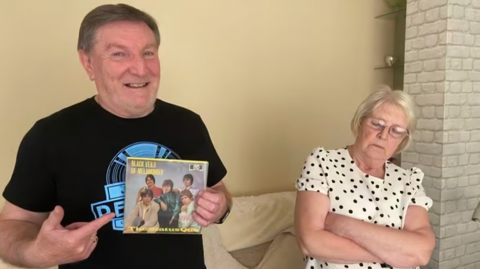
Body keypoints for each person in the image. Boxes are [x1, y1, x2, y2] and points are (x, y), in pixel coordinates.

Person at [0, 4, 232, 269]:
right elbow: (11, 225)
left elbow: (220, 191)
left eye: (148, 53)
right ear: (88, 63)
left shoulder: (189, 123)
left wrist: (220, 206)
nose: (140, 69)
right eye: (119, 54)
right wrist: (37, 253)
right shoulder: (49, 136)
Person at [294, 86, 435, 269]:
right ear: (360, 122)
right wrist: (396, 254)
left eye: (396, 131)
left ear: (403, 139)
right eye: (377, 124)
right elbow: (310, 241)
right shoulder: (323, 163)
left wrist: (342, 225)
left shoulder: (409, 181)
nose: (384, 135)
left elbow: (421, 252)